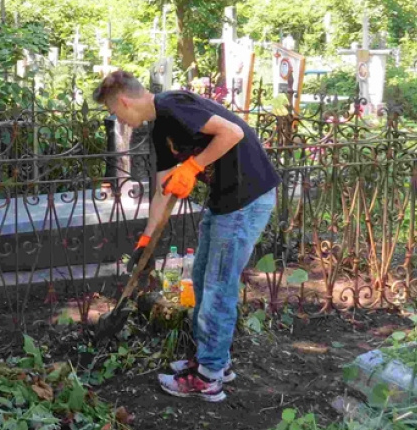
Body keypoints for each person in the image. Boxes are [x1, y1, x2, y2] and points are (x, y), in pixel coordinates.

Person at [93, 70, 279, 402]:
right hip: (226, 201)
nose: (118, 119)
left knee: (217, 286)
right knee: (205, 277)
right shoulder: (161, 128)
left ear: (123, 101)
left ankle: (208, 378)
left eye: (114, 112)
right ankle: (214, 361)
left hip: (247, 199)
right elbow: (163, 191)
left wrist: (192, 167)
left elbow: (232, 133)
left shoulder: (173, 106)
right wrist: (146, 240)